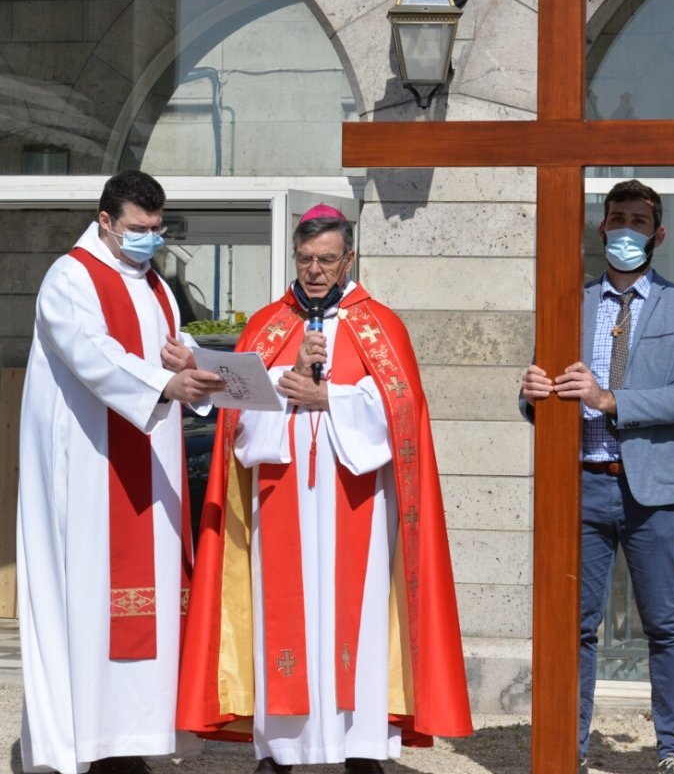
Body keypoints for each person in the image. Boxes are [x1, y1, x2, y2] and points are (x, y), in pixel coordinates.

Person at [177, 205, 472, 774]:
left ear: (349, 259)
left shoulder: (379, 325)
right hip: (281, 494)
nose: (314, 271)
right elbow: (238, 429)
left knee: (354, 625)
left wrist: (330, 398)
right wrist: (269, 394)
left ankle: (359, 748)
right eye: (306, 259)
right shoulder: (268, 324)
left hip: (354, 502)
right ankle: (282, 751)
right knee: (281, 619)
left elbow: (404, 414)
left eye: (327, 260)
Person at [17, 170, 226, 774]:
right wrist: (164, 382)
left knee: (154, 605)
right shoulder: (70, 277)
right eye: (139, 229)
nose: (149, 241)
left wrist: (189, 361)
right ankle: (86, 743)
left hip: (148, 467)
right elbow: (93, 352)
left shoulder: (156, 285)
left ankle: (133, 738)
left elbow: (172, 349)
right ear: (105, 220)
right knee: (89, 601)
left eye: (157, 231)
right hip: (88, 471)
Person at [520, 179, 674, 774]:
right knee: (572, 625)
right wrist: (529, 395)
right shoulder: (565, 303)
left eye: (638, 221)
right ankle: (566, 750)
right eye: (617, 219)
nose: (626, 230)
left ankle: (672, 751)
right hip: (578, 484)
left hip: (653, 489)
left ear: (657, 234)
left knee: (666, 624)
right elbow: (541, 398)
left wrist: (609, 399)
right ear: (601, 228)